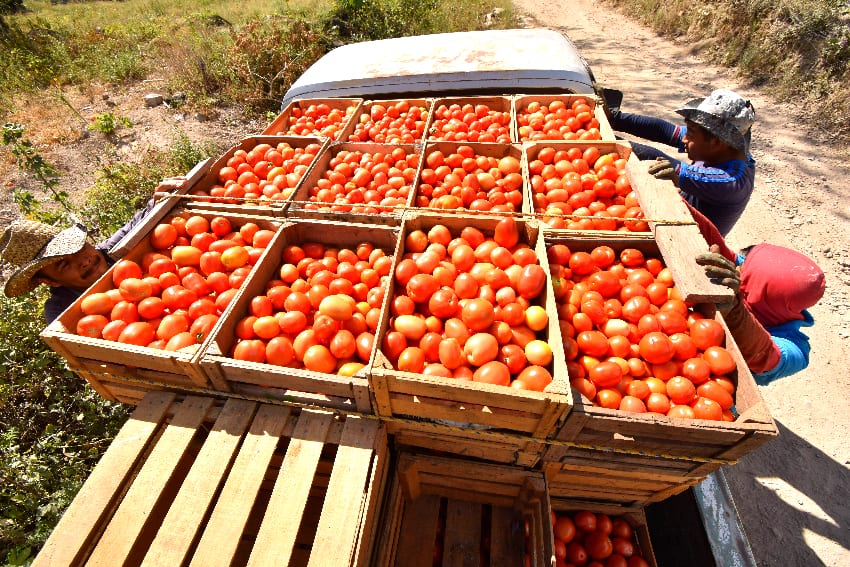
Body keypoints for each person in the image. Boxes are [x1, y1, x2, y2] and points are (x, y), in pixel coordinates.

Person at [0, 177, 186, 323]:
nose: (84, 260)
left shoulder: (108, 251)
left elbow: (138, 222)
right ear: (49, 281)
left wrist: (157, 200)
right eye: (64, 264)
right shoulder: (61, 310)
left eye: (79, 247)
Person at [605, 88, 756, 237]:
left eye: (689, 133)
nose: (684, 138)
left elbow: (665, 164)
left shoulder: (731, 182)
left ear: (716, 142)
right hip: (676, 216)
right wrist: (615, 118)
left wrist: (611, 144)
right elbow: (663, 130)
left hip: (689, 242)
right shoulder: (721, 150)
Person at [694, 218, 825, 385]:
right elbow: (714, 241)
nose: (737, 268)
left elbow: (765, 356)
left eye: (742, 272)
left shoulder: (796, 350)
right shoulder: (752, 274)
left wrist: (734, 308)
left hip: (708, 385)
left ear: (754, 291)